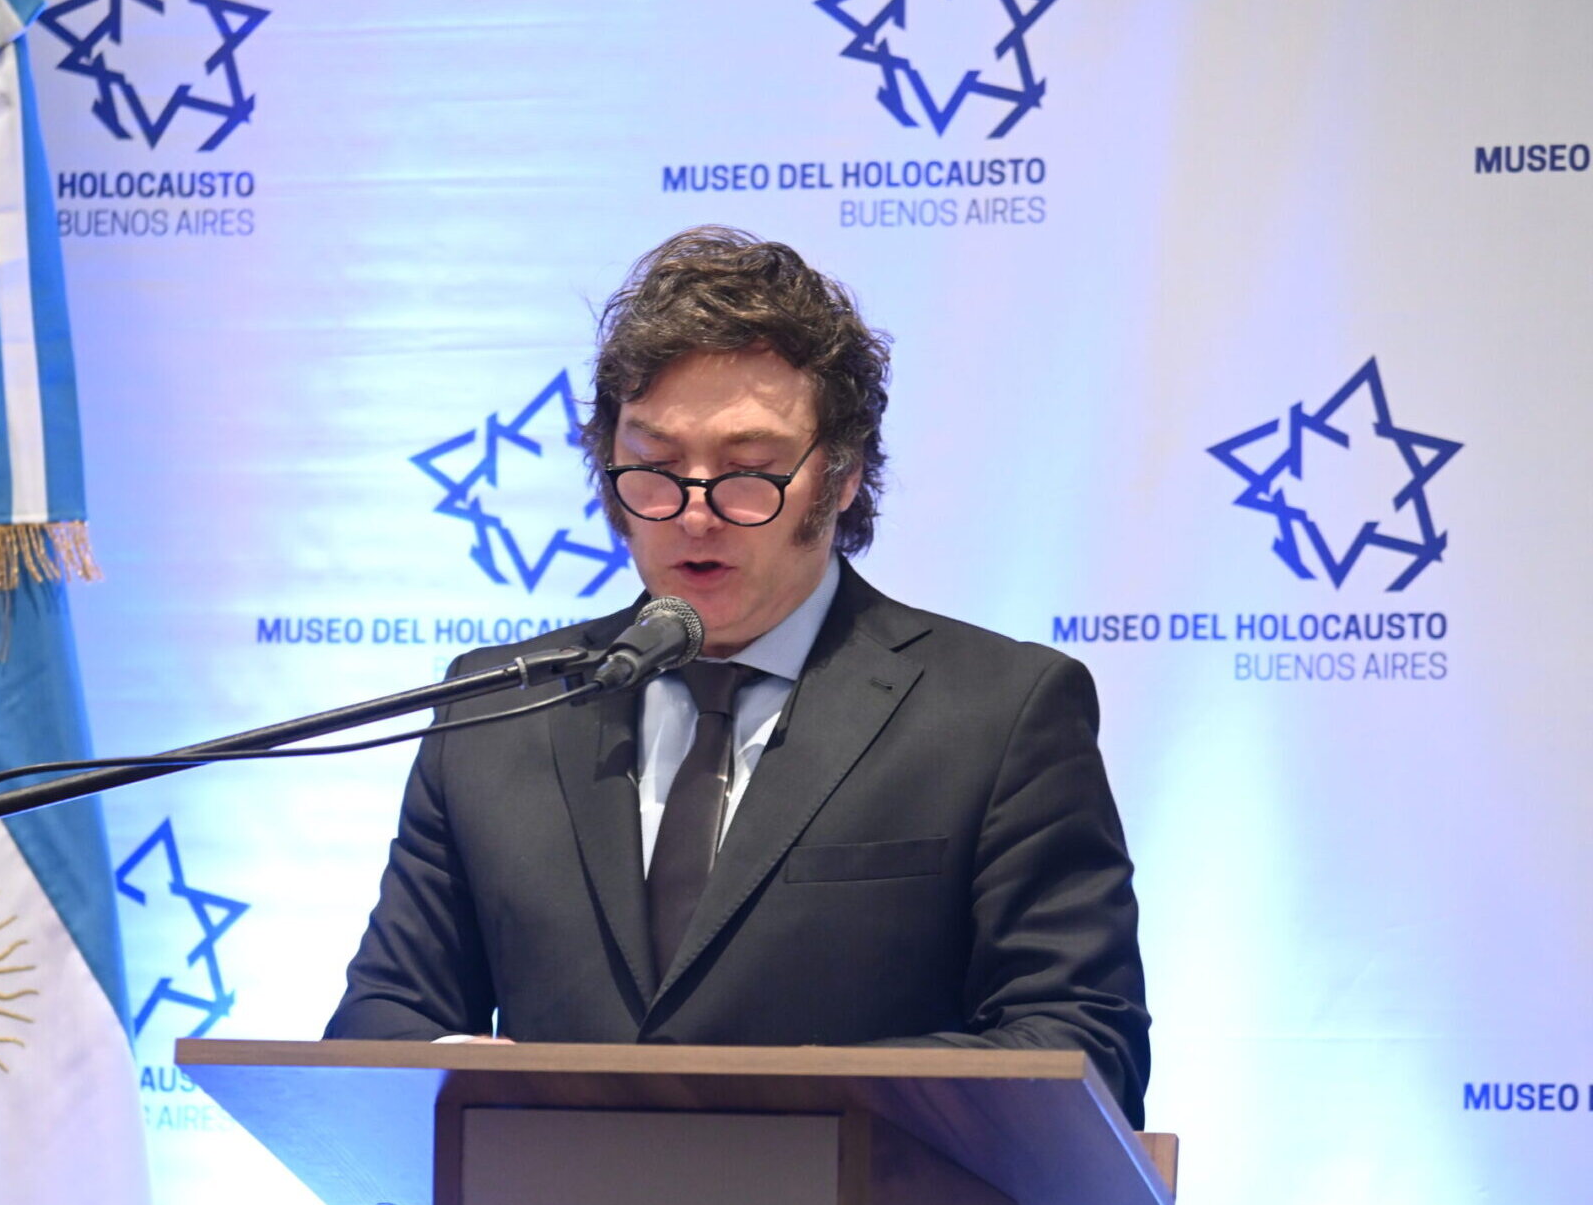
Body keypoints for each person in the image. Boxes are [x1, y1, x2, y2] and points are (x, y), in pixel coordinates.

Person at [326, 226, 1149, 1128]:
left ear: (842, 475)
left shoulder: (997, 713)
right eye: (655, 466)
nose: (695, 513)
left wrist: (771, 1104)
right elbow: (384, 1017)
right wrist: (470, 1080)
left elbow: (1083, 1047)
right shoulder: (503, 708)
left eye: (750, 472)